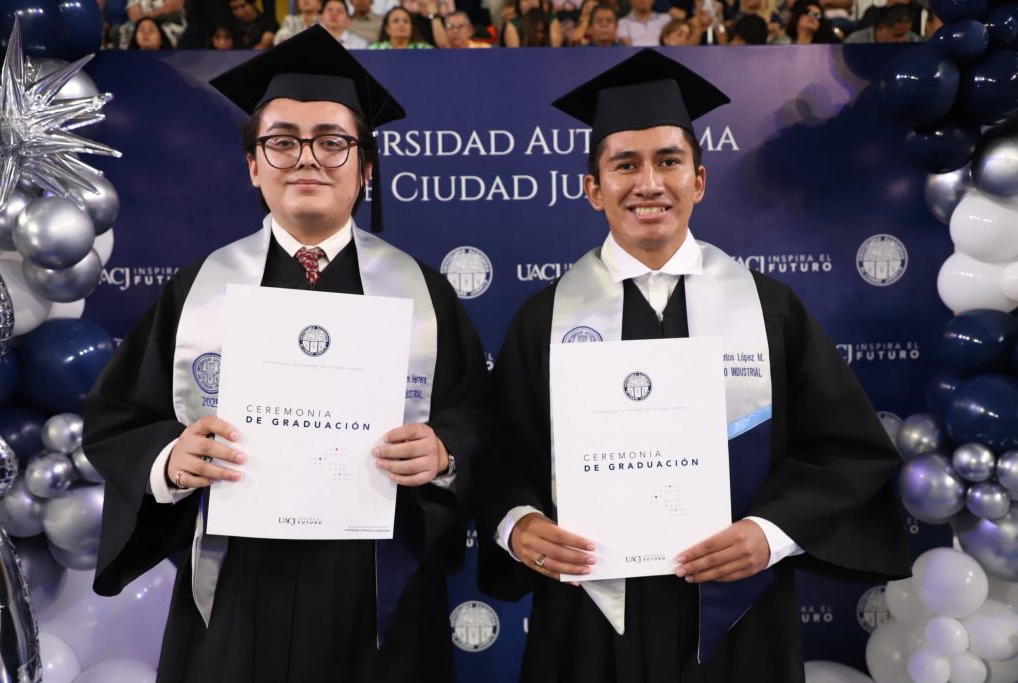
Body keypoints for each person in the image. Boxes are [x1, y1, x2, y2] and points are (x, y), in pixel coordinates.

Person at [475, 48, 911, 683]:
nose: (649, 183)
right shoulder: (545, 319)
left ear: (698, 181)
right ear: (594, 189)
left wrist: (771, 532)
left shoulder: (767, 309)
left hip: (740, 621)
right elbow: (497, 455)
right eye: (625, 164)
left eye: (669, 161)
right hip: (588, 624)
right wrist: (518, 524)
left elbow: (847, 452)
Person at [84, 25, 488, 683]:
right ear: (253, 165)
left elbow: (478, 417)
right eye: (282, 142)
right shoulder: (199, 289)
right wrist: (169, 460)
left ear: (365, 167)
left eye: (332, 141)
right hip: (239, 590)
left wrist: (443, 455)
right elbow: (119, 418)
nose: (307, 159)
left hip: (377, 593)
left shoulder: (422, 294)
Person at [844, 3, 921, 42]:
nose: (903, 39)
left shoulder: (912, 39)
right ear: (881, 28)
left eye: (906, 33)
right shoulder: (855, 42)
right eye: (897, 35)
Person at [774, 0, 839, 42]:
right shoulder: (782, 43)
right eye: (808, 12)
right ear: (797, 16)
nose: (813, 17)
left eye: (817, 16)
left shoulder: (823, 51)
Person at [369, 6, 435, 46]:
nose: (401, 24)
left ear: (411, 28)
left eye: (406, 21)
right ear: (387, 28)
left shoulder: (425, 50)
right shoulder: (374, 50)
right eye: (395, 21)